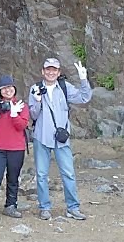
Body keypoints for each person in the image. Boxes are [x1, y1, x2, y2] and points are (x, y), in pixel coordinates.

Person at [28, 56, 91, 221]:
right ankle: (44, 207)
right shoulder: (35, 88)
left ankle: (73, 207)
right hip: (42, 136)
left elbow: (84, 98)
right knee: (41, 174)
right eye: (48, 69)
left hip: (61, 139)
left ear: (58, 72)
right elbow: (33, 114)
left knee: (68, 173)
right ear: (43, 71)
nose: (51, 72)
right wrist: (37, 101)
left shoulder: (65, 87)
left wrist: (83, 79)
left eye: (54, 70)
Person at [0, 75, 30, 224]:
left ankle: (11, 205)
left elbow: (21, 126)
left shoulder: (21, 105)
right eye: (4, 89)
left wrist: (14, 114)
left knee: (13, 178)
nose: (8, 90)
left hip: (16, 148)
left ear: (14, 88)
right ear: (0, 91)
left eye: (10, 87)